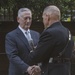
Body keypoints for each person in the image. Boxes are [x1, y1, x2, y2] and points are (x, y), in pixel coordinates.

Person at [25, 5, 74, 75]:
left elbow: (36, 57)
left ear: (47, 17)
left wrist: (33, 52)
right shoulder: (67, 32)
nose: (43, 21)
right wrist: (42, 67)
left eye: (43, 18)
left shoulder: (49, 33)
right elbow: (63, 56)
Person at [5, 8, 41, 75]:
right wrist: (27, 68)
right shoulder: (11, 36)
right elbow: (12, 56)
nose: (28, 21)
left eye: (30, 18)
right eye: (25, 18)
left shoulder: (36, 35)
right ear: (18, 19)